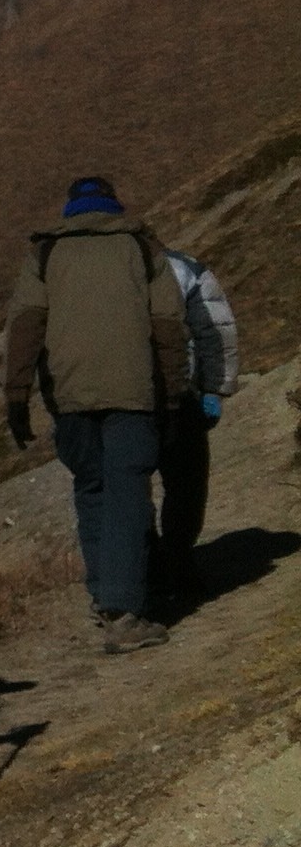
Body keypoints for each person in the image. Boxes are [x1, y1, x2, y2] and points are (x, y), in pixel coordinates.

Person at [1, 176, 188, 652]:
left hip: (70, 397)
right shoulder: (141, 248)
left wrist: (17, 395)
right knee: (128, 489)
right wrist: (173, 394)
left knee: (92, 488)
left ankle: (106, 595)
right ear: (113, 205)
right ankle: (124, 611)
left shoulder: (45, 253)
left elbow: (25, 327)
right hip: (133, 392)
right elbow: (168, 326)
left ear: (72, 210)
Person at [153, 246, 239, 600]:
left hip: (113, 401)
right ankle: (178, 559)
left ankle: (141, 569)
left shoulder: (80, 270)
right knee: (186, 482)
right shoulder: (181, 267)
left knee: (125, 488)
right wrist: (214, 388)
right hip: (180, 395)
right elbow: (215, 330)